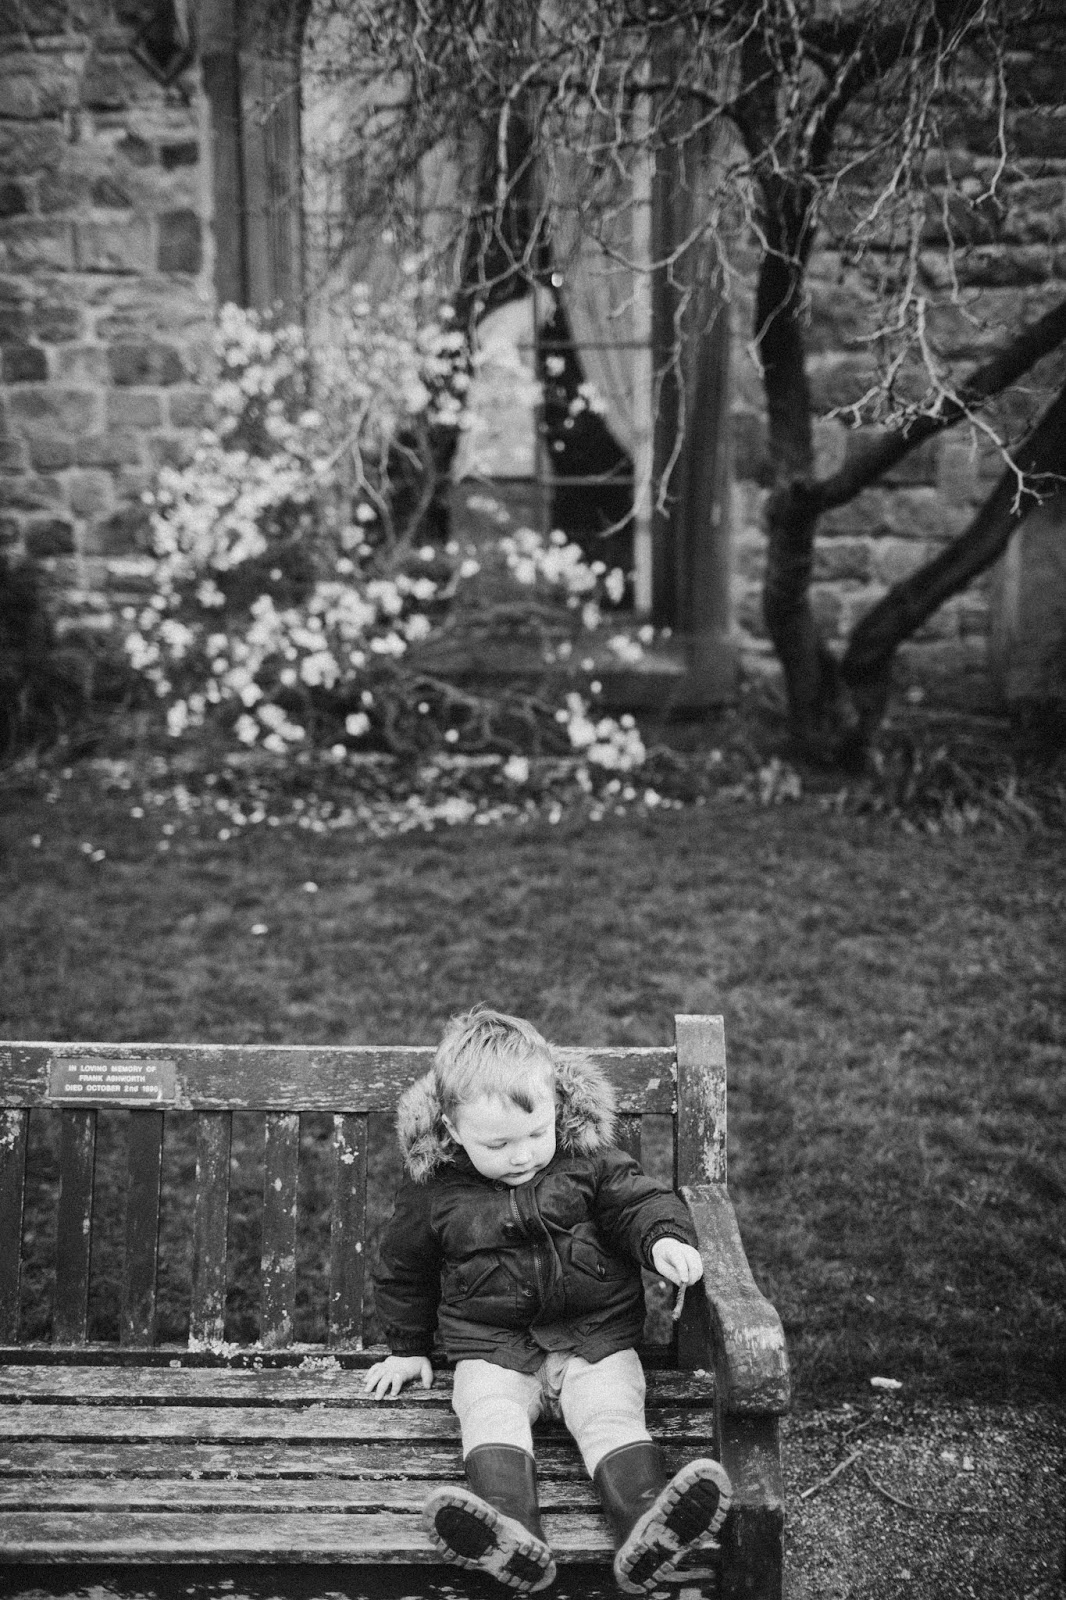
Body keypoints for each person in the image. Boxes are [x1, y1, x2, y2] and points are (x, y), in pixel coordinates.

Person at [365, 1006, 732, 1594]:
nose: (523, 1156)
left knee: (610, 1410)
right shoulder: (435, 1192)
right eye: (499, 1143)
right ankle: (508, 1529)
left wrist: (663, 1239)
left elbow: (636, 1203)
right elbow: (403, 1270)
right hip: (492, 1347)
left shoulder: (586, 1159)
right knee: (487, 1407)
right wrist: (408, 1348)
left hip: (593, 1338)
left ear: (556, 1104)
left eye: (536, 1134)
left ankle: (647, 1521)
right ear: (453, 1130)